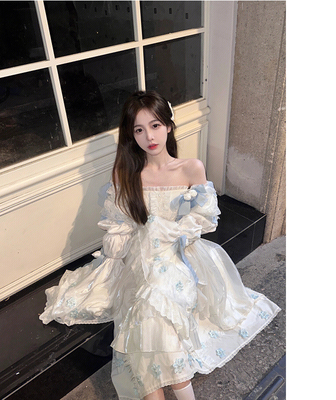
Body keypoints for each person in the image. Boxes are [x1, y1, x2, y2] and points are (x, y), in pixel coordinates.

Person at [40, 91, 280, 400]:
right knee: (149, 309)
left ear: (168, 125)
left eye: (154, 126)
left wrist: (170, 231)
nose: (149, 137)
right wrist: (118, 242)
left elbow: (205, 218)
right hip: (139, 257)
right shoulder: (126, 174)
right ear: (131, 135)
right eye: (139, 130)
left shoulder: (190, 168)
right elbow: (120, 223)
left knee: (152, 305)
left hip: (181, 257)